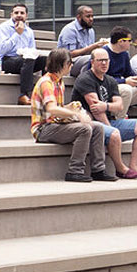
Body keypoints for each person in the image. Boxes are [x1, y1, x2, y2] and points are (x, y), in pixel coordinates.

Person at [31, 48, 113, 184]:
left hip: (56, 124)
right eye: (70, 63)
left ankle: (98, 169)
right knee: (84, 129)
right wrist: (76, 115)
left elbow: (57, 108)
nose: (72, 65)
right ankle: (75, 171)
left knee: (98, 127)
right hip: (43, 129)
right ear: (62, 64)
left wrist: (72, 107)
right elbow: (51, 109)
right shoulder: (46, 82)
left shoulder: (59, 81)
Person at [72, 47, 137, 179]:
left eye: (106, 60)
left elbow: (119, 106)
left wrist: (106, 106)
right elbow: (96, 110)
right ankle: (121, 169)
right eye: (100, 61)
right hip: (91, 123)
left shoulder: (110, 80)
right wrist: (110, 126)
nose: (104, 63)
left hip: (109, 120)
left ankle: (134, 166)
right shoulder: (85, 79)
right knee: (114, 133)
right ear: (92, 62)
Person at [0, 2, 47, 105]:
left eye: (22, 13)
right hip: (5, 61)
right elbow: (2, 50)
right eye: (16, 13)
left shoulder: (29, 31)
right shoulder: (3, 28)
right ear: (11, 15)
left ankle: (44, 93)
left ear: (26, 16)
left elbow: (32, 51)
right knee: (28, 59)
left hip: (24, 61)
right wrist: (17, 34)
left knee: (46, 60)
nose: (19, 15)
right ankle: (24, 94)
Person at [57, 5, 106, 77]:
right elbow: (69, 54)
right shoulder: (70, 30)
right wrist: (93, 46)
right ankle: (85, 83)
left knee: (104, 57)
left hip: (85, 61)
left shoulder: (91, 31)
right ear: (79, 17)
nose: (91, 19)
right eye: (88, 16)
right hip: (69, 63)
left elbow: (91, 51)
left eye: (92, 16)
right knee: (89, 60)